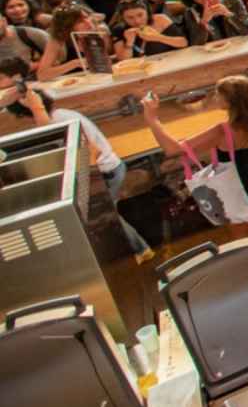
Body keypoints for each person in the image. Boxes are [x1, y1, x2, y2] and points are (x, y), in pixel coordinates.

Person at [1, 65, 152, 262]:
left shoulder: (57, 122)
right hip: (111, 166)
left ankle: (141, 250)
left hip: (108, 171)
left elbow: (87, 149)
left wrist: (34, 107)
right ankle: (138, 250)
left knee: (108, 215)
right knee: (108, 214)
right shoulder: (60, 113)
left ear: (23, 115)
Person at [142, 76, 248, 237]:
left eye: (218, 95)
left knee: (244, 241)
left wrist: (152, 118)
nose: (214, 97)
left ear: (230, 102)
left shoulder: (222, 132)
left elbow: (173, 149)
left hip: (240, 190)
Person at [113, 0, 187, 58]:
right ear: (123, 18)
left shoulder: (160, 19)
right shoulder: (119, 29)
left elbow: (183, 43)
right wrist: (129, 43)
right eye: (130, 17)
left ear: (147, 12)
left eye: (140, 15)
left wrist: (157, 37)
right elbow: (123, 60)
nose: (137, 21)